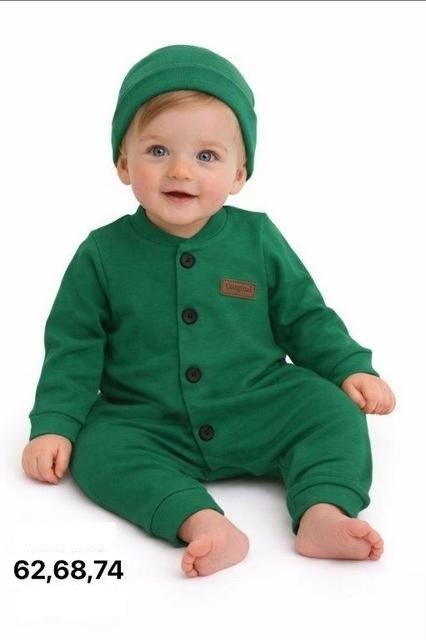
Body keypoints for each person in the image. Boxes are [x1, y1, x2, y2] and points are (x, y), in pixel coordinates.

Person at [22, 44, 396, 578]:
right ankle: (200, 521)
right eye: (157, 150)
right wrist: (55, 423)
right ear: (123, 163)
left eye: (206, 156)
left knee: (331, 410)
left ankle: (322, 510)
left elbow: (305, 316)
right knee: (98, 447)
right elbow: (74, 345)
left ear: (239, 173)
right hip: (146, 417)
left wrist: (349, 367)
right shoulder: (101, 253)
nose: (180, 170)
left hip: (258, 401)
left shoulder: (258, 237)